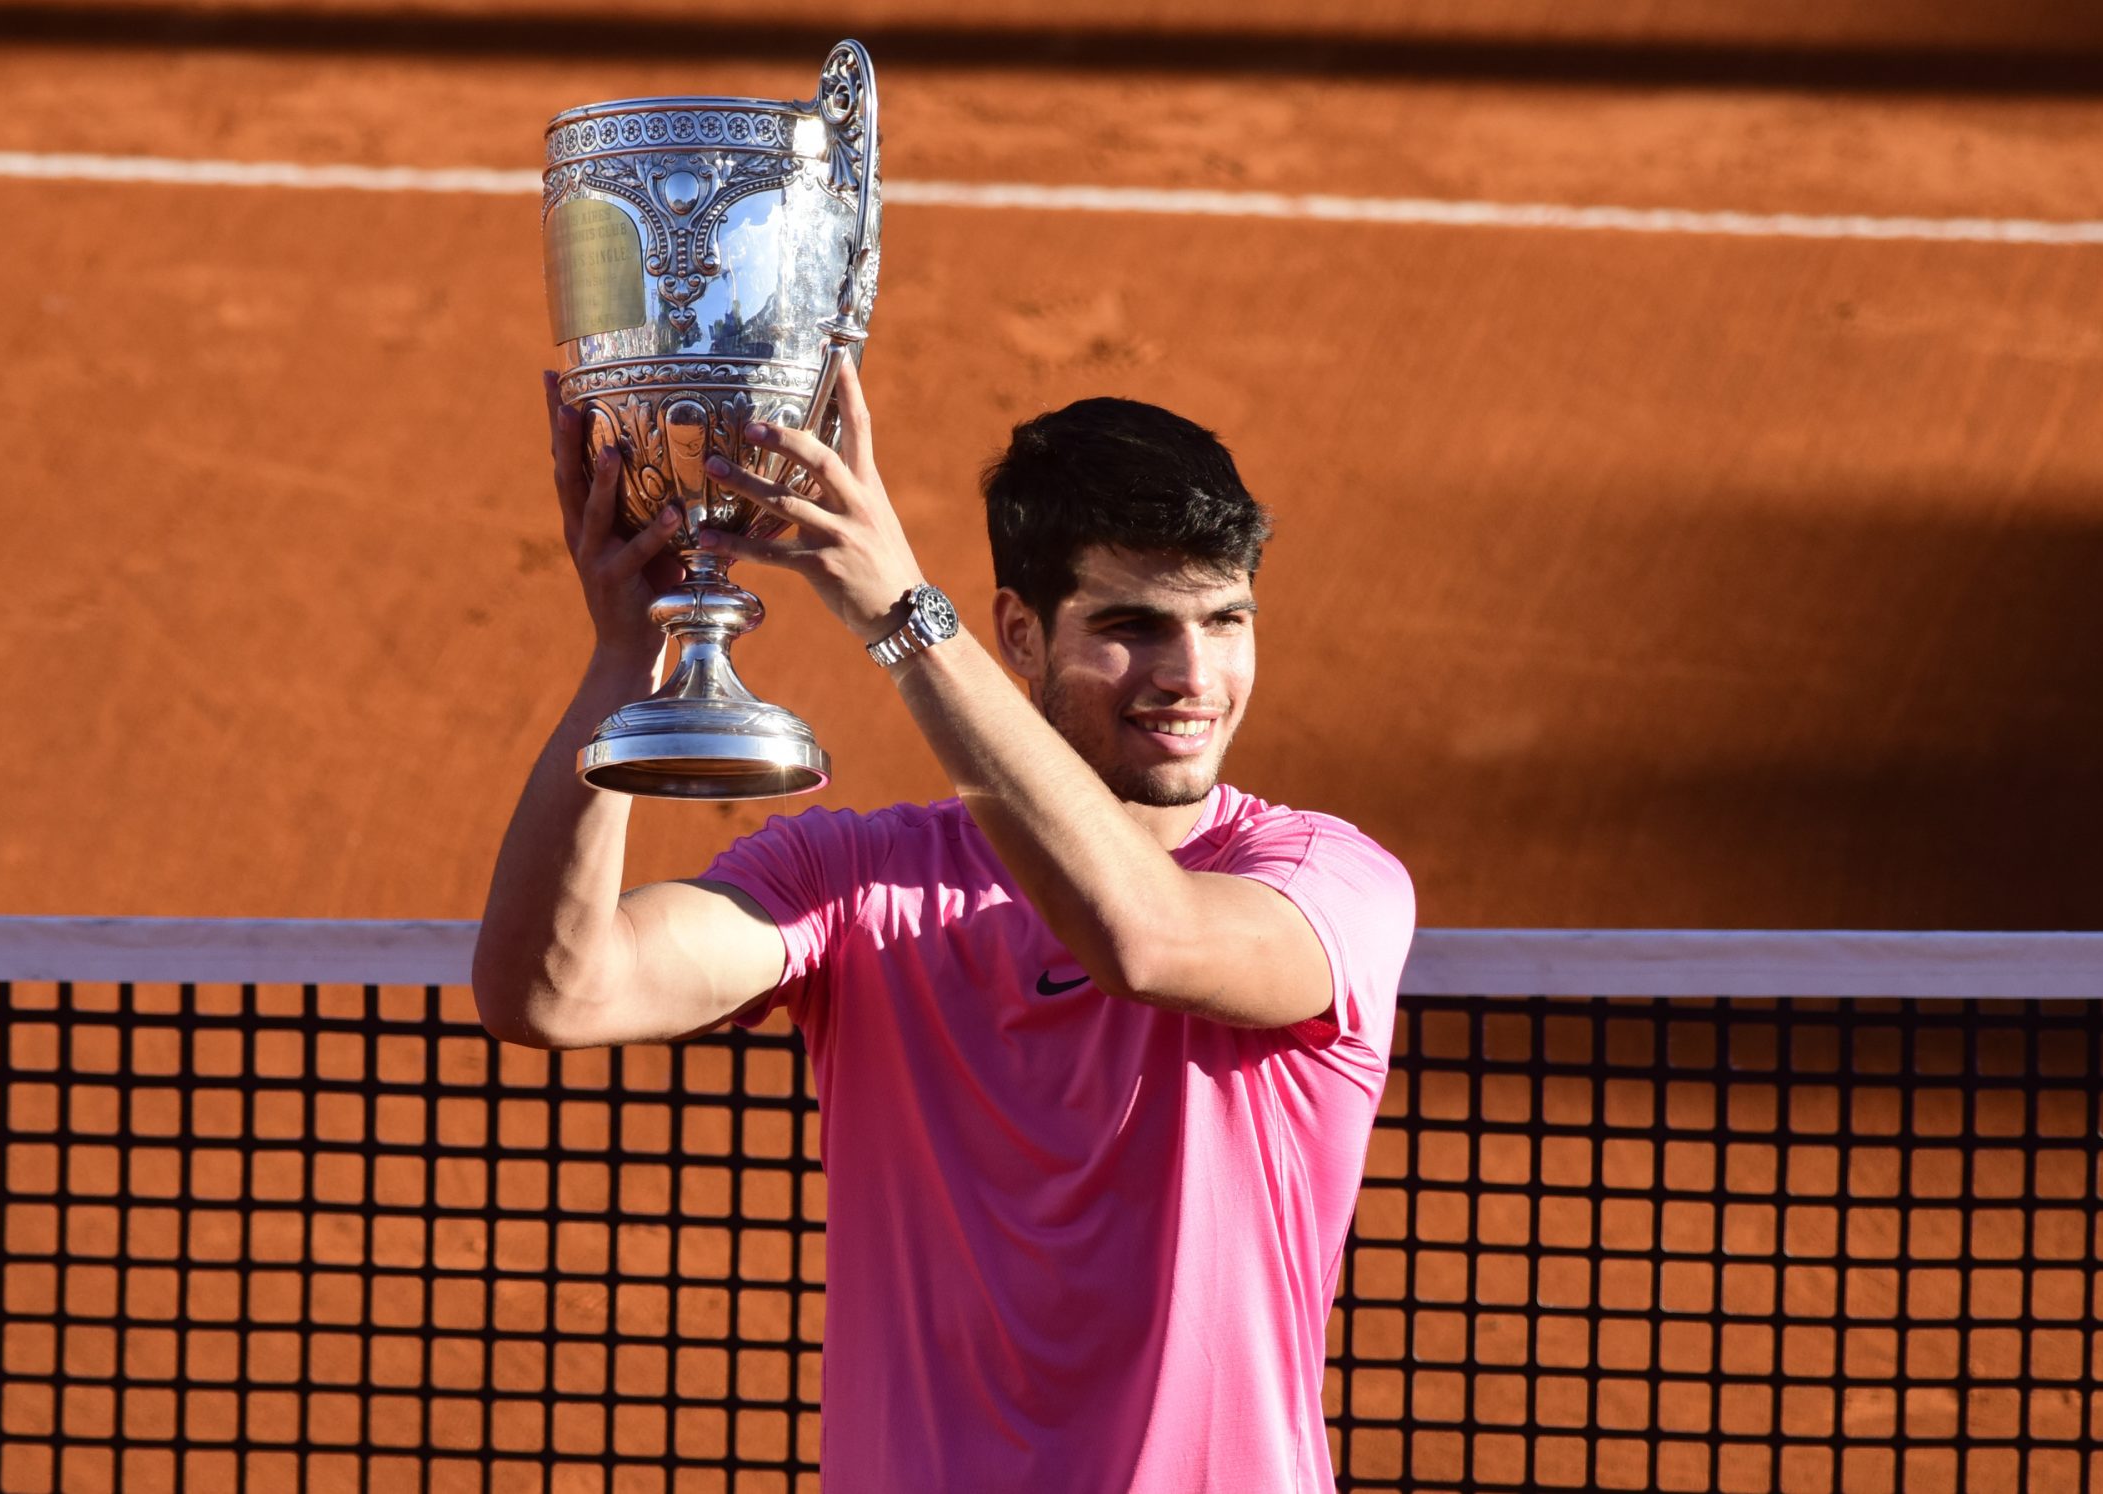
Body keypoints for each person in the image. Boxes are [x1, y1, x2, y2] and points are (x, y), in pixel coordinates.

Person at [474, 360, 1416, 1491]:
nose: (1191, 676)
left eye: (1225, 621)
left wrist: (900, 617)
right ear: (1018, 635)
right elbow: (552, 993)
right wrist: (632, 662)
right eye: (1132, 626)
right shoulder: (861, 883)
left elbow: (1146, 942)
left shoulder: (1328, 881)